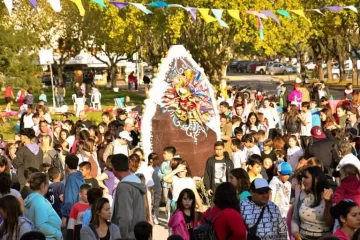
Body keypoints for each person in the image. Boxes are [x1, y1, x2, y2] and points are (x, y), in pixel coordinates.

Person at [110, 154, 146, 239]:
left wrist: (122, 237)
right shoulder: (136, 182)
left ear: (114, 169)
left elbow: (125, 216)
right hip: (138, 233)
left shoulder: (124, 186)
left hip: (129, 235)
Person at [291, 166, 333, 239]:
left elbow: (330, 222)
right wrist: (296, 233)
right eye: (302, 177)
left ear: (316, 179)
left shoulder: (328, 195)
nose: (303, 180)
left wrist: (328, 203)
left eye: (306, 177)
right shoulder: (301, 195)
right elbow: (295, 218)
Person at [24, 172, 62, 240]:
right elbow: (41, 225)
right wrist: (57, 234)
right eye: (47, 184)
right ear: (43, 185)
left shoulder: (30, 199)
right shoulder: (39, 201)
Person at [61, 155, 85, 229]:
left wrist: (65, 216)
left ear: (66, 165)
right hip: (81, 211)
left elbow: (69, 199)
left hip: (73, 214)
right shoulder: (80, 176)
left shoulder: (71, 178)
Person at [158, 146, 176, 220]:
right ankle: (169, 216)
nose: (163, 155)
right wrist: (164, 177)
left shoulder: (176, 162)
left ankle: (173, 216)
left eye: (165, 153)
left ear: (170, 155)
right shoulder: (163, 164)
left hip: (174, 185)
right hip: (165, 185)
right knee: (166, 199)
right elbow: (159, 173)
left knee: (173, 200)